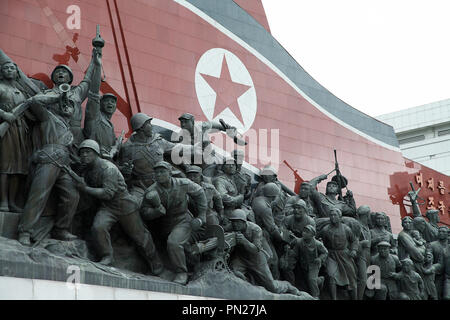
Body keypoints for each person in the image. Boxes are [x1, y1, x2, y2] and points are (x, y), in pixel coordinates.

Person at [75, 139, 163, 275]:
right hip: (108, 207)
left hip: (124, 205)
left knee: (140, 237)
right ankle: (107, 256)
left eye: (88, 152)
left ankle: (155, 262)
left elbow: (107, 193)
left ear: (96, 153)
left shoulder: (108, 169)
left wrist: (85, 188)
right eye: (82, 153)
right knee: (98, 227)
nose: (84, 156)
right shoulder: (87, 170)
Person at [17, 86, 83, 245]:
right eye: (65, 105)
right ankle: (25, 231)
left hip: (64, 163)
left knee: (72, 195)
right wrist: (58, 97)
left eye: (71, 106)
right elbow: (33, 102)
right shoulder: (48, 117)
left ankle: (61, 229)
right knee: (39, 194)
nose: (68, 107)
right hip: (49, 158)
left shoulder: (68, 128)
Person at [141, 161, 207, 285]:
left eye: (162, 171)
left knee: (174, 242)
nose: (159, 175)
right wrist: (156, 212)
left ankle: (181, 272)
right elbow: (144, 212)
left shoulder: (183, 183)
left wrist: (202, 215)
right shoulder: (151, 191)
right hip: (163, 224)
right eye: (156, 172)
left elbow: (199, 193)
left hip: (182, 220)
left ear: (170, 172)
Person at [118, 113, 191, 204]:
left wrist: (196, 148)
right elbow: (124, 174)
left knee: (186, 197)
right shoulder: (128, 148)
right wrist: (126, 172)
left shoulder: (158, 141)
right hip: (142, 186)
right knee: (133, 204)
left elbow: (177, 149)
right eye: (149, 123)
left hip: (164, 181)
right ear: (141, 128)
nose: (151, 126)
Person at [227, 209, 302, 296]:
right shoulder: (231, 227)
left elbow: (256, 249)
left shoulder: (255, 229)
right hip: (240, 258)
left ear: (244, 221)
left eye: (237, 222)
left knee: (272, 287)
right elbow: (221, 232)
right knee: (232, 274)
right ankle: (248, 287)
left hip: (256, 259)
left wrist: (244, 241)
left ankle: (287, 286)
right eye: (233, 222)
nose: (234, 224)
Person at [0, 60, 34, 212]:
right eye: (6, 68)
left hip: (20, 131)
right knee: (5, 166)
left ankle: (13, 201)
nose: (9, 70)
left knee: (17, 168)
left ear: (16, 72)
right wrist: (4, 114)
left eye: (12, 68)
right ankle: (3, 201)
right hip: (6, 131)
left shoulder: (22, 92)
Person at [318, 207, 358, 300]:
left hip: (344, 255)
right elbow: (319, 240)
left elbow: (354, 240)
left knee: (351, 277)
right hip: (331, 255)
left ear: (340, 217)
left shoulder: (346, 229)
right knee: (332, 276)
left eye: (335, 215)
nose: (332, 217)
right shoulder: (325, 230)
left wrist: (354, 250)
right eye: (331, 215)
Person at [287, 225, 328, 298]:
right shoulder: (299, 242)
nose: (304, 233)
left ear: (312, 235)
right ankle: (320, 280)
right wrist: (290, 251)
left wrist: (319, 258)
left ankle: (316, 296)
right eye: (304, 231)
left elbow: (325, 252)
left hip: (314, 264)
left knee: (311, 279)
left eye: (307, 232)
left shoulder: (317, 244)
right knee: (308, 281)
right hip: (304, 264)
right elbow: (295, 252)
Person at [355, 205, 372, 300]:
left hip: (368, 253)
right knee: (362, 280)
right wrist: (361, 243)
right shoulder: (357, 225)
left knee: (370, 278)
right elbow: (352, 241)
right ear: (365, 215)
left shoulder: (367, 226)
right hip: (360, 253)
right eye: (368, 215)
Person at [429, 226, 449, 298]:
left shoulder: (449, 245)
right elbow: (429, 257)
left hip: (448, 274)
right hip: (437, 275)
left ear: (448, 234)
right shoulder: (432, 245)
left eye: (443, 232)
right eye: (439, 231)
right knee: (436, 294)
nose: (441, 233)